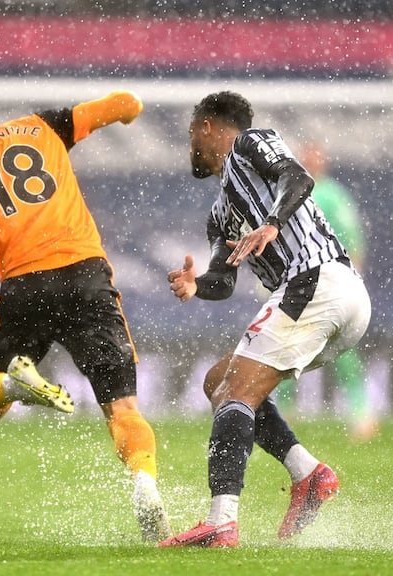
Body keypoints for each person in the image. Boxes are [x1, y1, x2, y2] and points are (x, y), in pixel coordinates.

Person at [0, 91, 172, 541]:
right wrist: (131, 110)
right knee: (123, 409)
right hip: (86, 275)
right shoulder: (43, 126)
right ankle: (144, 480)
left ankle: (12, 384)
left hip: (26, 286)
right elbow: (123, 103)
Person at [158, 91, 371, 548]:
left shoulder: (250, 143)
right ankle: (308, 474)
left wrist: (273, 222)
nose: (190, 143)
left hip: (318, 279)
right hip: (325, 296)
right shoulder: (220, 213)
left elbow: (296, 176)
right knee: (219, 382)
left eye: (193, 132)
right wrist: (198, 286)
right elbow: (223, 278)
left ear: (209, 126)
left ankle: (221, 521)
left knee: (233, 389)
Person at [292, 142, 377, 441]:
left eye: (316, 157)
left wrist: (352, 273)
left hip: (329, 282)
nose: (311, 161)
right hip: (296, 283)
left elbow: (352, 236)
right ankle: (284, 414)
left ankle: (361, 412)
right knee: (286, 350)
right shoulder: (291, 189)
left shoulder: (332, 194)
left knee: (342, 350)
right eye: (307, 156)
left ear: (323, 162)